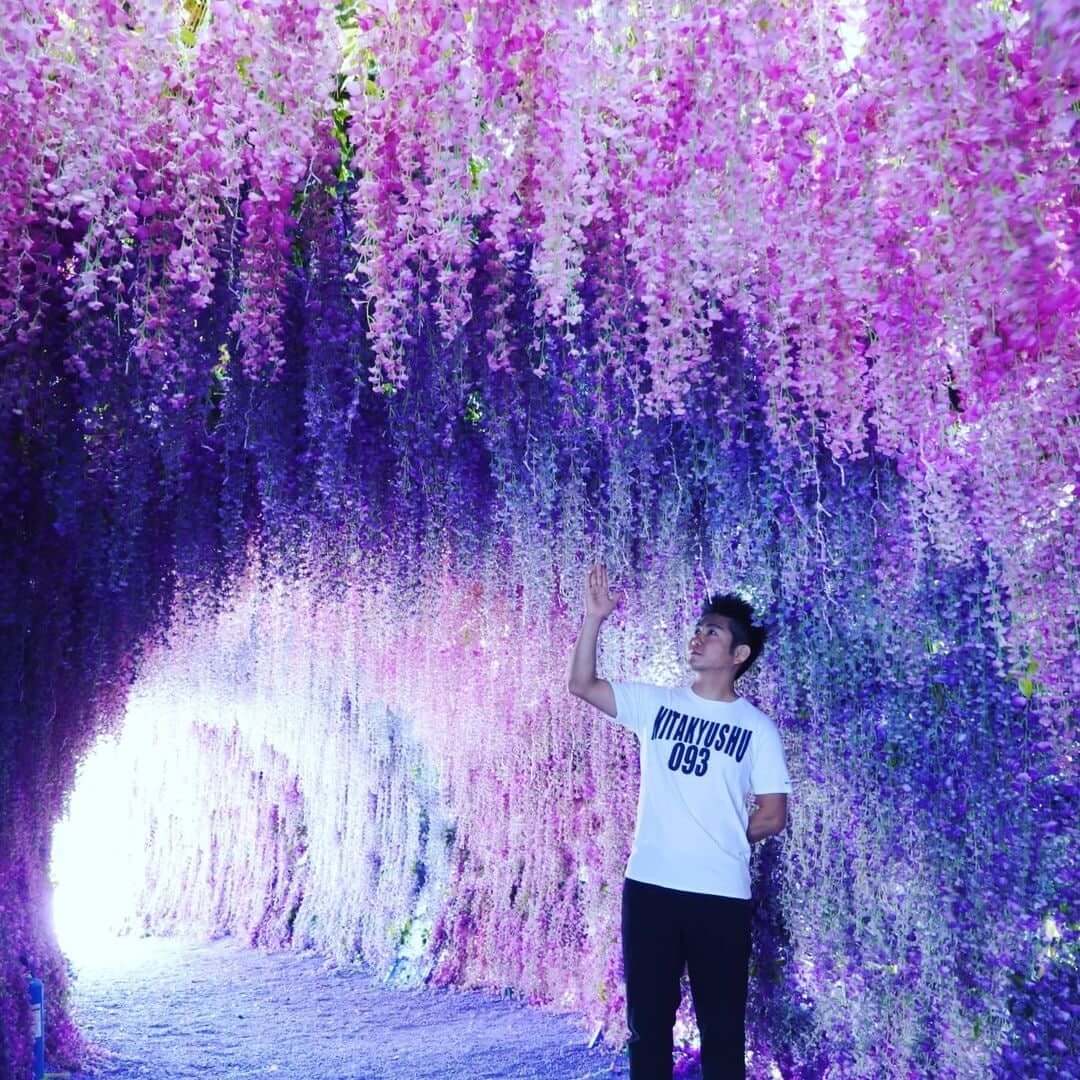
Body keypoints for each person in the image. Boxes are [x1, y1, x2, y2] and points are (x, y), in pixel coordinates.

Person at [568, 563, 791, 1080]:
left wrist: (718, 835)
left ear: (739, 655)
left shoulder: (757, 729)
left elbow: (773, 813)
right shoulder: (656, 704)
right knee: (648, 1027)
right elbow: (582, 684)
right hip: (650, 887)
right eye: (698, 628)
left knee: (722, 1032)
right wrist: (593, 619)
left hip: (720, 892)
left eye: (712, 632)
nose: (698, 636)